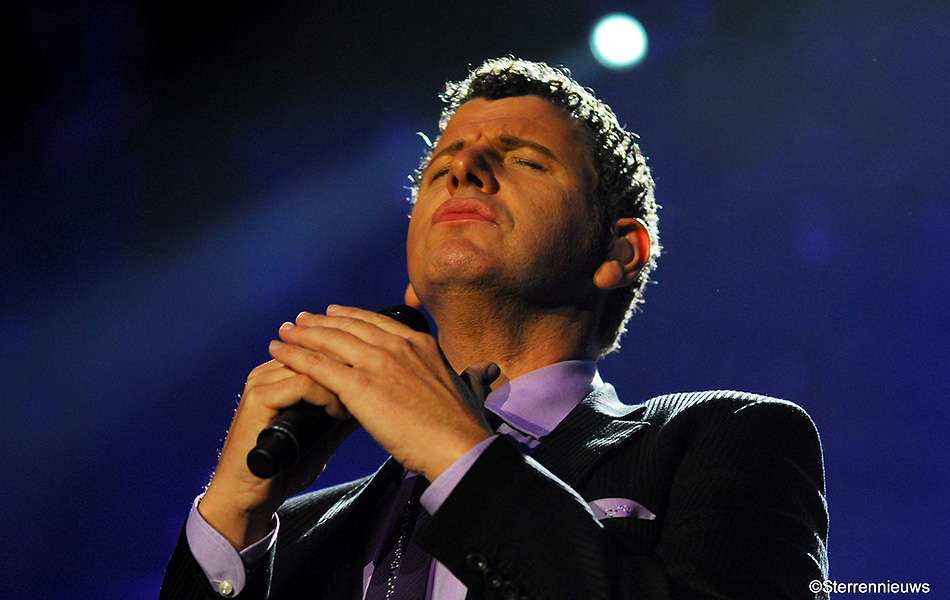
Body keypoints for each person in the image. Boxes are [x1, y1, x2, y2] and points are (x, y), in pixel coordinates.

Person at [160, 57, 829, 600]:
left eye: (525, 160)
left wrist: (458, 455)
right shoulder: (287, 540)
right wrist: (232, 515)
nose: (463, 169)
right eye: (441, 167)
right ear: (414, 280)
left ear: (619, 251)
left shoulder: (725, 439)